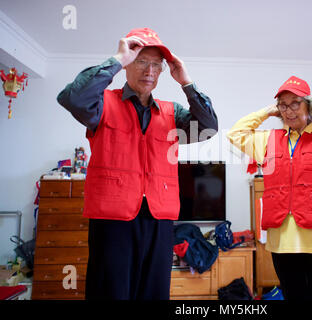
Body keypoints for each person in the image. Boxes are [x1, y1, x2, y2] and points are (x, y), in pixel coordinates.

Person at [57, 28, 218, 300]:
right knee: (111, 291)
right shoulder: (102, 104)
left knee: (153, 293)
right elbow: (72, 98)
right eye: (142, 61)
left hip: (159, 218)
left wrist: (186, 82)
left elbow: (208, 127)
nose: (150, 70)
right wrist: (116, 59)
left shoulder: (172, 113)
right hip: (112, 219)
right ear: (129, 63)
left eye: (157, 64)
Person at [227, 75, 312, 300]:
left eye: (295, 103)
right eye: (283, 105)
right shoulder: (268, 140)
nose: (289, 111)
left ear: (309, 105)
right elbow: (235, 134)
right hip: (284, 242)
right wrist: (266, 111)